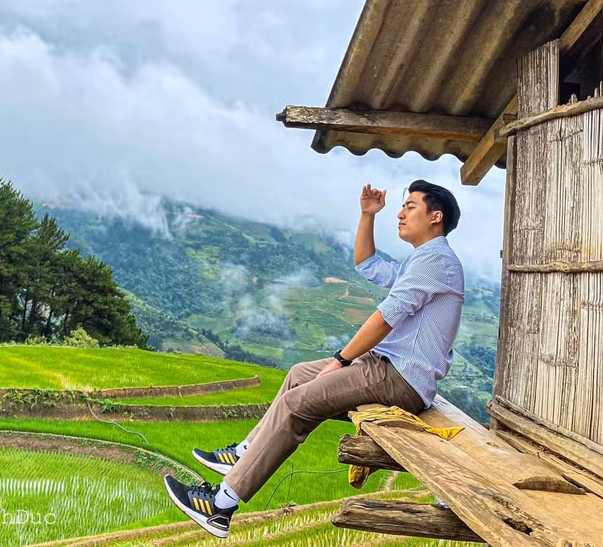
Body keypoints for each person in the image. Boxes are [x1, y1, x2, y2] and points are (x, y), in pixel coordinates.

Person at [162, 180, 465, 538]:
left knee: (297, 404)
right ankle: (245, 452)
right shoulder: (421, 259)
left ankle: (221, 506)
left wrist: (341, 358)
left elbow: (386, 317)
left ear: (436, 216)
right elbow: (366, 264)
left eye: (410, 206)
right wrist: (367, 215)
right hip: (385, 367)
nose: (399, 213)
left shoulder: (436, 261)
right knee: (298, 375)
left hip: (400, 377)